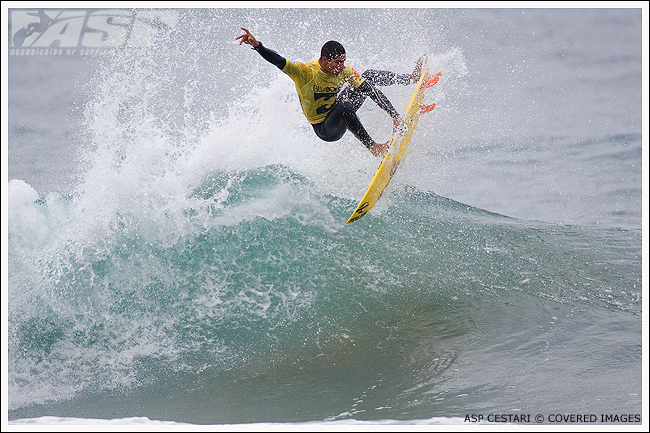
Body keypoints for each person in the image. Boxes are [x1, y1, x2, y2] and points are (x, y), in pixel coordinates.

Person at [236, 28, 423, 157]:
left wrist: (395, 115)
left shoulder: (344, 71)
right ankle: (374, 148)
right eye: (337, 63)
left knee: (368, 77)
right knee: (345, 106)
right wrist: (258, 46)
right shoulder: (305, 72)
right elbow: (278, 59)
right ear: (325, 60)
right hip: (325, 129)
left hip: (337, 110)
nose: (342, 67)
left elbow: (368, 90)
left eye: (343, 62)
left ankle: (410, 79)